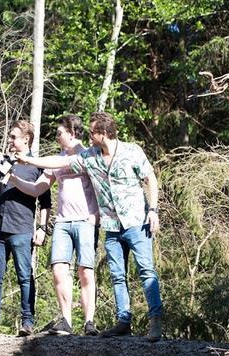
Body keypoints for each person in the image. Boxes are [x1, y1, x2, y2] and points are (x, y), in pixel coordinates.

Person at [15, 112, 164, 340]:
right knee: (117, 275)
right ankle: (124, 321)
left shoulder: (132, 151)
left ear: (103, 133)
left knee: (146, 272)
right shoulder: (90, 156)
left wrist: (153, 210)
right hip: (112, 226)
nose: (89, 136)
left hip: (136, 222)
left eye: (93, 132)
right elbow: (61, 162)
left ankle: (156, 322)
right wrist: (29, 160)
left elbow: (150, 178)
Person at [7, 115, 100, 336]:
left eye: (59, 133)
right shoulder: (55, 160)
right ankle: (66, 321)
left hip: (86, 221)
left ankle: (89, 322)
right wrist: (12, 178)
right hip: (62, 222)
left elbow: (93, 183)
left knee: (85, 271)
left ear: (72, 133)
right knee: (59, 270)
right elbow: (37, 189)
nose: (57, 137)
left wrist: (96, 215)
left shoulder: (88, 154)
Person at [0, 120, 52, 336]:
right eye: (9, 137)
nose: (9, 140)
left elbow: (45, 201)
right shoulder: (4, 161)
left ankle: (28, 322)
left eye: (13, 137)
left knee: (24, 276)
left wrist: (42, 228)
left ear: (26, 139)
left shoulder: (37, 165)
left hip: (22, 228)